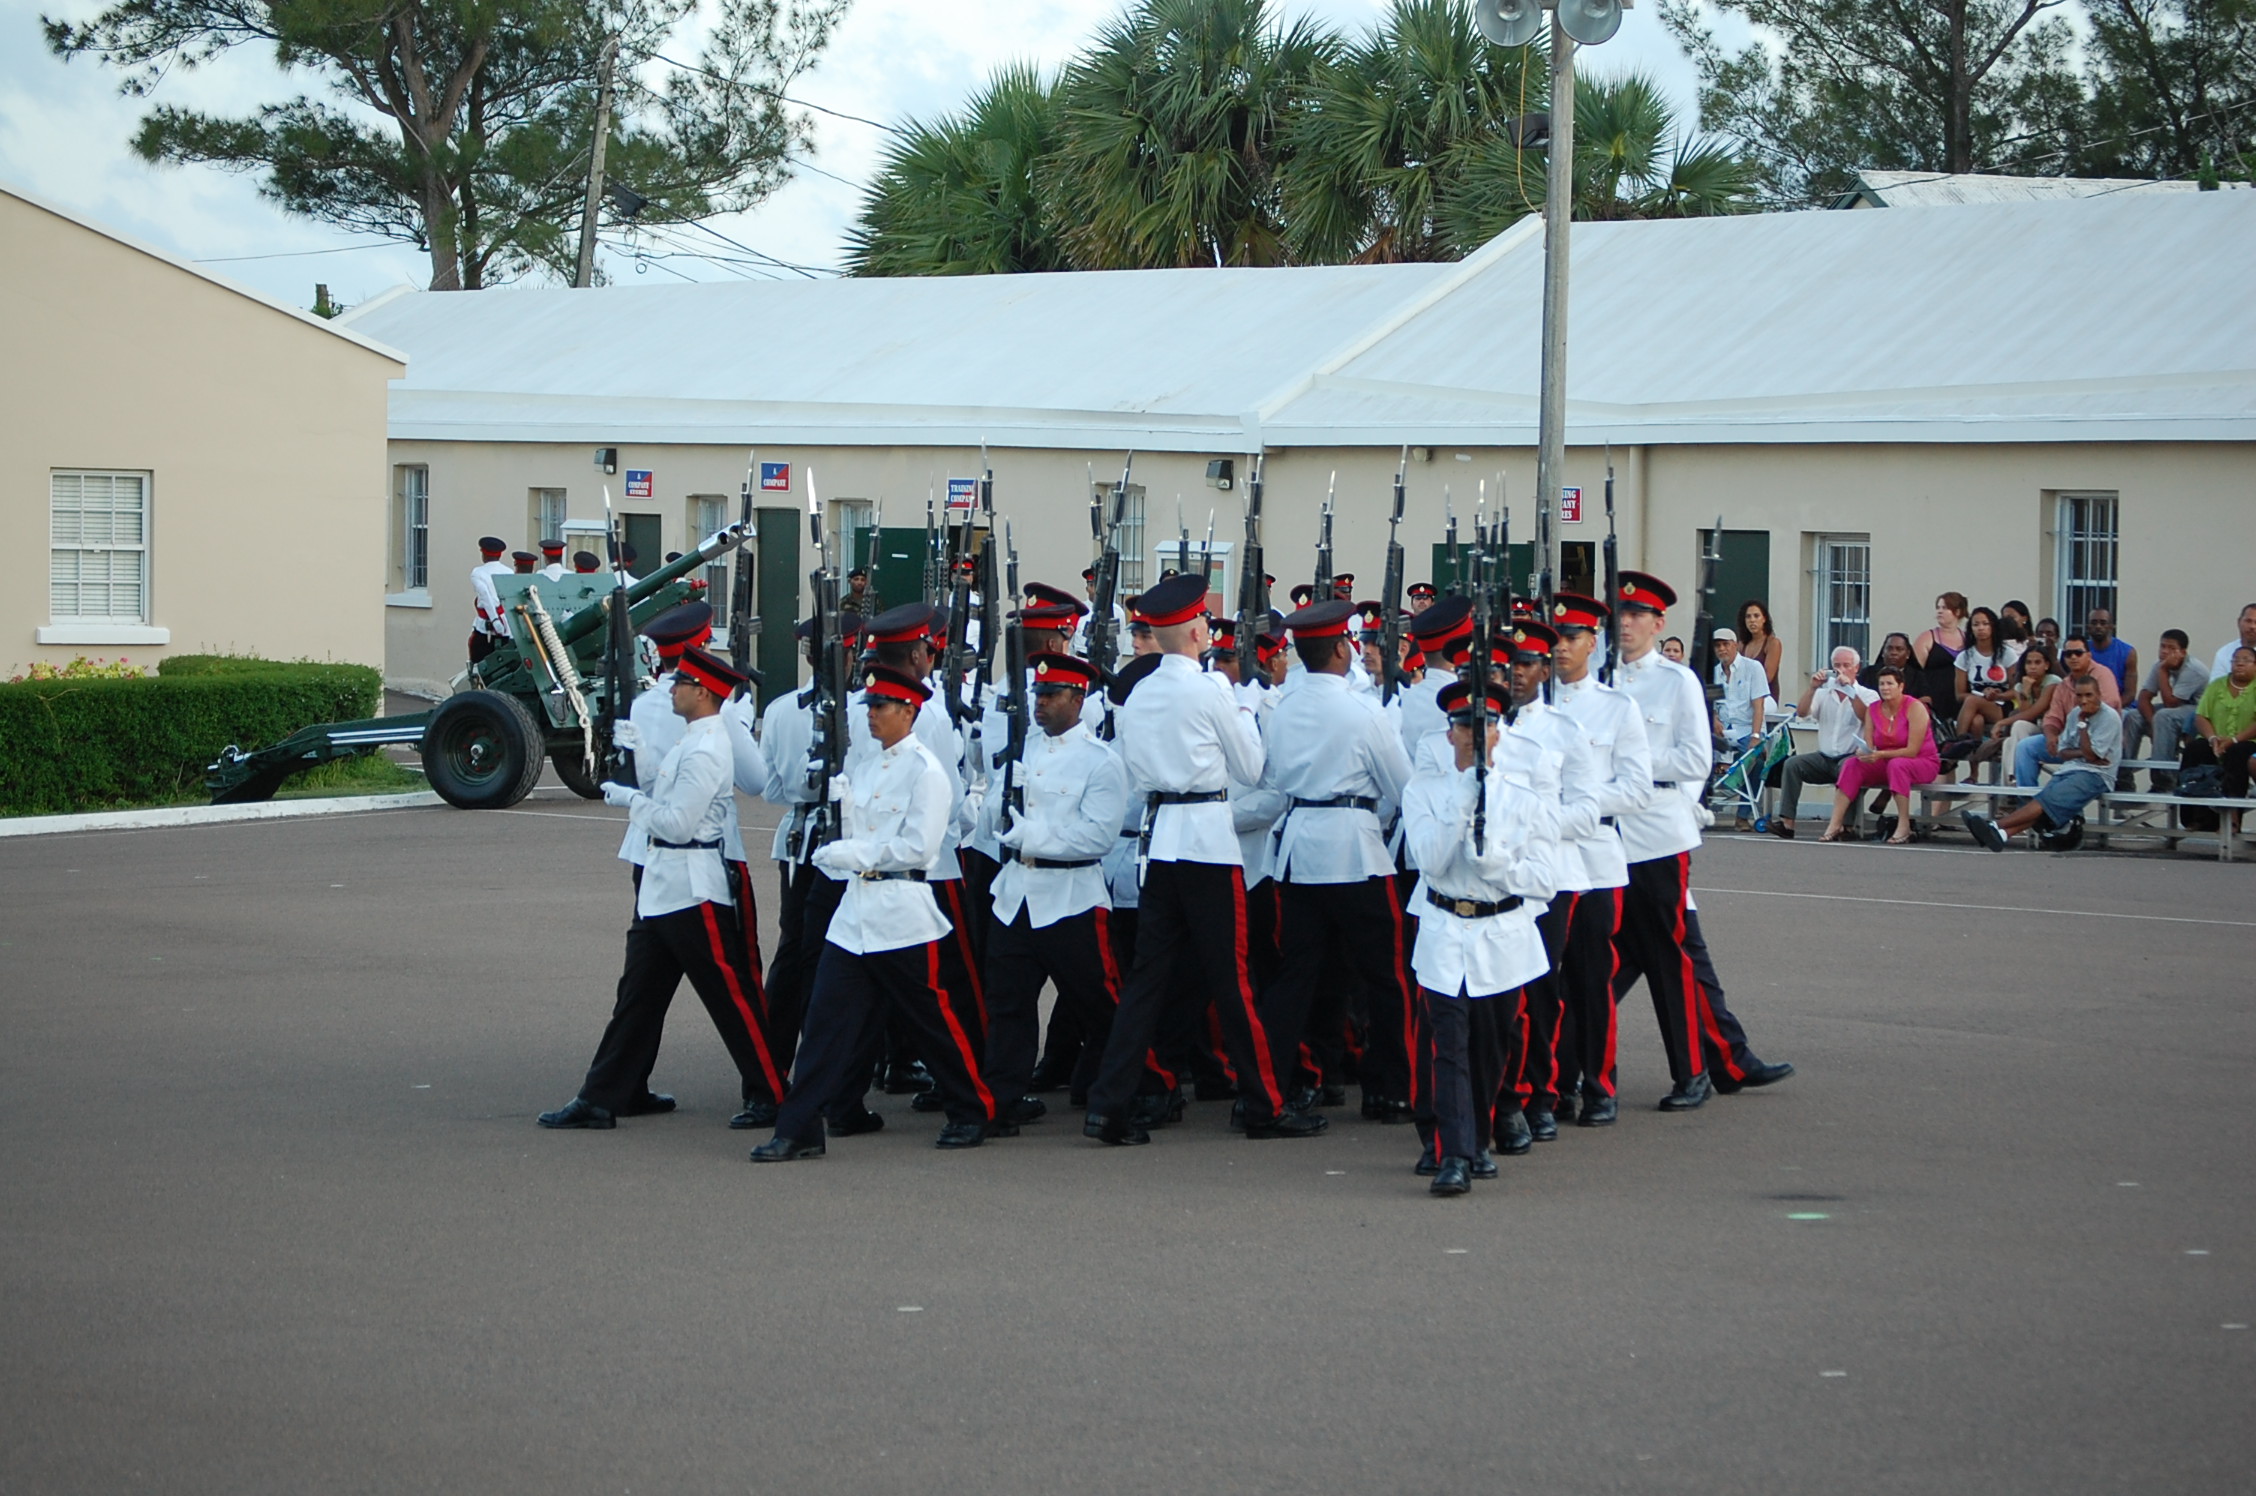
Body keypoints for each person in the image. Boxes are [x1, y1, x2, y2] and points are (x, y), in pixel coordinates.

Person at [1082, 574, 1314, 1145]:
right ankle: (1264, 1102)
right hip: (1208, 841)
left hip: (1160, 844)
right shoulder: (1209, 689)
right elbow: (1252, 767)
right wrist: (1243, 709)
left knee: (1146, 983)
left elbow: (1137, 772)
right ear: (1195, 630)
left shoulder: (1139, 694)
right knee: (1231, 980)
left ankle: (1109, 1104)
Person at [753, 665, 998, 1160]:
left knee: (933, 1022)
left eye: (881, 706)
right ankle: (798, 1128)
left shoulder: (926, 772)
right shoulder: (863, 769)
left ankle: (973, 1110)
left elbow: (919, 848)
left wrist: (856, 854)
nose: (871, 716)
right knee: (824, 1023)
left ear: (909, 711)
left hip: (902, 914)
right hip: (855, 915)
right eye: (868, 706)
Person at [538, 648, 785, 1131]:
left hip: (694, 888)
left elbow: (676, 821)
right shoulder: (691, 740)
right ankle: (602, 1096)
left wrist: (631, 800)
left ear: (705, 693)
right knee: (638, 996)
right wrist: (639, 756)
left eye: (682, 684)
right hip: (663, 887)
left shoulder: (710, 747)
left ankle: (773, 1094)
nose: (672, 689)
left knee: (732, 997)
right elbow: (663, 789)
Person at [1609, 572, 1788, 1110]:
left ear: (1659, 623)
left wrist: (1629, 764)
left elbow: (1695, 758)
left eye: (1638, 614)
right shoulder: (1597, 677)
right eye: (1619, 613)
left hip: (1658, 829)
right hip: (1602, 833)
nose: (1626, 623)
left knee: (1664, 950)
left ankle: (1709, 1065)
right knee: (1637, 953)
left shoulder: (1677, 680)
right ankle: (1726, 1058)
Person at [1260, 599, 1419, 1126]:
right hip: (1354, 849)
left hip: (1299, 849)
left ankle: (1278, 1084)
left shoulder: (1282, 709)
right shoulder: (1361, 711)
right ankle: (1391, 1088)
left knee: (1299, 977)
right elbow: (1402, 787)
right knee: (1386, 976)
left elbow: (1276, 776)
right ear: (1338, 648)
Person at [1401, 678, 1553, 1196]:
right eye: (1464, 726)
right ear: (1450, 736)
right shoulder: (1424, 790)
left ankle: (1478, 1139)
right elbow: (1430, 860)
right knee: (1449, 1048)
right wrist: (1465, 798)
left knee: (1490, 1049)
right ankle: (1453, 1155)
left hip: (1501, 934)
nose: (1473, 736)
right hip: (1445, 929)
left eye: (1484, 726)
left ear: (1499, 735)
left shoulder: (1525, 799)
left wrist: (1502, 866)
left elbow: (1544, 878)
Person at [976, 653, 1131, 1125]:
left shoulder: (1101, 762)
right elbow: (989, 821)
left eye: (1051, 695)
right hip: (1017, 894)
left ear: (1079, 699)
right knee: (1008, 1005)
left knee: (1100, 1005)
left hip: (1071, 899)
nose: (1040, 704)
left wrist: (1034, 835)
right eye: (1037, 695)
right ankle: (1002, 1101)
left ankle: (1126, 1092)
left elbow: (1099, 837)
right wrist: (1000, 802)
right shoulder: (1022, 751)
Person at [1546, 592, 1652, 1128]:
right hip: (1542, 859)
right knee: (1541, 981)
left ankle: (1598, 1083)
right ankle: (1551, 1083)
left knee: (1591, 979)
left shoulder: (1616, 708)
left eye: (1572, 638)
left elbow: (1635, 789)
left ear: (1593, 642)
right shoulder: (1530, 706)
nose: (1562, 647)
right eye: (1556, 637)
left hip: (1595, 857)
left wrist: (1576, 804)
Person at [1964, 672, 2119, 852]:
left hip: (2096, 775)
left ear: (2099, 694)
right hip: (2071, 769)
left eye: (2089, 695)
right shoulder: (2075, 713)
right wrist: (2082, 753)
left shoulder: (2109, 717)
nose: (2083, 700)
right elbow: (2064, 750)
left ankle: (1994, 825)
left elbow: (2092, 757)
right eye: (2079, 695)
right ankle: (2002, 835)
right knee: (2045, 805)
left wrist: (2083, 729)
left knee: (2044, 802)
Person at [1820, 665, 1938, 844]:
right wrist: (1863, 752)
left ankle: (1903, 825)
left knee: (1898, 764)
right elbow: (1869, 744)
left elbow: (1912, 750)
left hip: (1921, 761)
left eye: (1890, 683)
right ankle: (1836, 824)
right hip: (1887, 760)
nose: (1885, 688)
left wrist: (1880, 754)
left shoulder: (1915, 707)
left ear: (1901, 686)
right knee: (1852, 764)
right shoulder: (1873, 709)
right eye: (1882, 684)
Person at [1768, 647, 1878, 839]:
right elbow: (1801, 713)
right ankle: (1787, 823)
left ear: (1856, 668)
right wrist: (1812, 688)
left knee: (1849, 767)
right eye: (1836, 666)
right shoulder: (1824, 693)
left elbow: (1865, 716)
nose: (1841, 670)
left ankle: (1847, 826)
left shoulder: (1867, 694)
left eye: (1846, 666)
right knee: (1792, 764)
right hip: (1824, 757)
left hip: (1851, 756)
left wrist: (1850, 691)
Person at [2015, 636, 2122, 786]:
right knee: (2026, 747)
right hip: (2069, 743)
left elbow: (2105, 710)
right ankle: (2025, 799)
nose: (2073, 657)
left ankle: (2040, 805)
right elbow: (2053, 718)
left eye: (2078, 653)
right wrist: (2051, 735)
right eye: (2068, 653)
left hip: (2098, 748)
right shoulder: (2064, 684)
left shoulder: (2102, 675)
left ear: (2089, 655)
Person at [2124, 630, 2208, 785]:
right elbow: (2144, 698)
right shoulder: (2159, 665)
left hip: (2197, 712)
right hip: (2175, 710)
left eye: (2171, 648)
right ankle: (2124, 774)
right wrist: (2152, 724)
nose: (2164, 651)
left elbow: (2171, 702)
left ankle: (2163, 777)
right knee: (2133, 716)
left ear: (2182, 652)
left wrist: (2163, 671)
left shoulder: (2194, 670)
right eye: (2162, 646)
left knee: (2164, 716)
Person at [2181, 645, 2256, 805]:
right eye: (2236, 660)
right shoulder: (2217, 685)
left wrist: (2234, 740)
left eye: (2246, 660)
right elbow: (2201, 715)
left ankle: (2232, 815)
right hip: (2217, 740)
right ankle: (2196, 816)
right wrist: (2213, 738)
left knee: (2237, 753)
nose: (2239, 664)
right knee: (2196, 749)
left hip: (2248, 742)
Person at [1951, 607, 2025, 740]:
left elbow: (2015, 690)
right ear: (1971, 629)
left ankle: (1956, 745)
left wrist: (1997, 695)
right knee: (1976, 721)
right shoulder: (1965, 656)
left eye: (1985, 624)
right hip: (1974, 704)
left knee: (1972, 701)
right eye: (1976, 624)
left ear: (1993, 627)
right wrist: (1981, 696)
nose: (1981, 628)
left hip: (2001, 705)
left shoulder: (2007, 654)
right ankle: (1974, 758)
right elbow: (1959, 694)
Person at [1710, 626, 1771, 757]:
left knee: (1754, 761)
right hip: (1723, 732)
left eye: (1726, 644)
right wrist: (1715, 720)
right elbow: (1712, 707)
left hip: (1747, 730)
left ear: (1735, 645)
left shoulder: (1753, 667)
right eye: (1717, 646)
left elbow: (1758, 706)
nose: (1721, 649)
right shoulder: (1714, 673)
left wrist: (1755, 736)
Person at [1908, 592, 1969, 718]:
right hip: (1935, 698)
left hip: (1960, 699)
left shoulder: (1968, 639)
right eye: (1938, 608)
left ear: (1957, 612)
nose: (1939, 611)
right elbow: (1914, 671)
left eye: (1945, 608)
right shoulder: (1926, 638)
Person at [469, 537, 509, 663]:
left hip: (485, 625)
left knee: (478, 659)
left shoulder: (478, 573)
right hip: (505, 624)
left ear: (484, 554)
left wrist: (494, 620)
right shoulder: (509, 572)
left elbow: (485, 597)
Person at [2084, 607, 2138, 700]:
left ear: (2111, 627)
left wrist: (2109, 711)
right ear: (2088, 627)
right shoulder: (2081, 651)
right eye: (2094, 623)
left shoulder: (2128, 652)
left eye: (2103, 623)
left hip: (2121, 707)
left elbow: (2130, 694)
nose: (2098, 626)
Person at [1737, 600, 1784, 699]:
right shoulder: (1742, 644)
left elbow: (1768, 677)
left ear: (1764, 619)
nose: (1752, 620)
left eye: (1756, 616)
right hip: (1743, 697)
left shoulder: (1773, 643)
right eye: (1748, 616)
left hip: (1766, 697)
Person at [2209, 604, 2256, 687]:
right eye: (2248, 621)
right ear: (2239, 622)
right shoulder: (2224, 653)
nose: (2252, 626)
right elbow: (2215, 687)